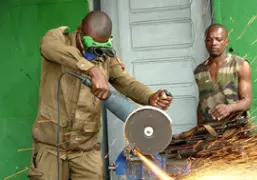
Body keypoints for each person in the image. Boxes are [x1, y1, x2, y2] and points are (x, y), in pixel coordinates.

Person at [27, 11, 172, 180]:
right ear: (80, 29)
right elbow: (47, 46)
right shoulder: (59, 40)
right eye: (90, 44)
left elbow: (126, 82)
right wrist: (91, 69)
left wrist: (149, 96)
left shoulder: (105, 57)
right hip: (50, 148)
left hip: (85, 150)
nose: (95, 52)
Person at [173, 24, 252, 139]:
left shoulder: (240, 65)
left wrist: (229, 108)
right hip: (210, 134)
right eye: (209, 40)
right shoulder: (199, 71)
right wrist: (198, 129)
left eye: (218, 39)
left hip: (235, 133)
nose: (213, 43)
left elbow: (247, 102)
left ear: (226, 41)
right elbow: (202, 101)